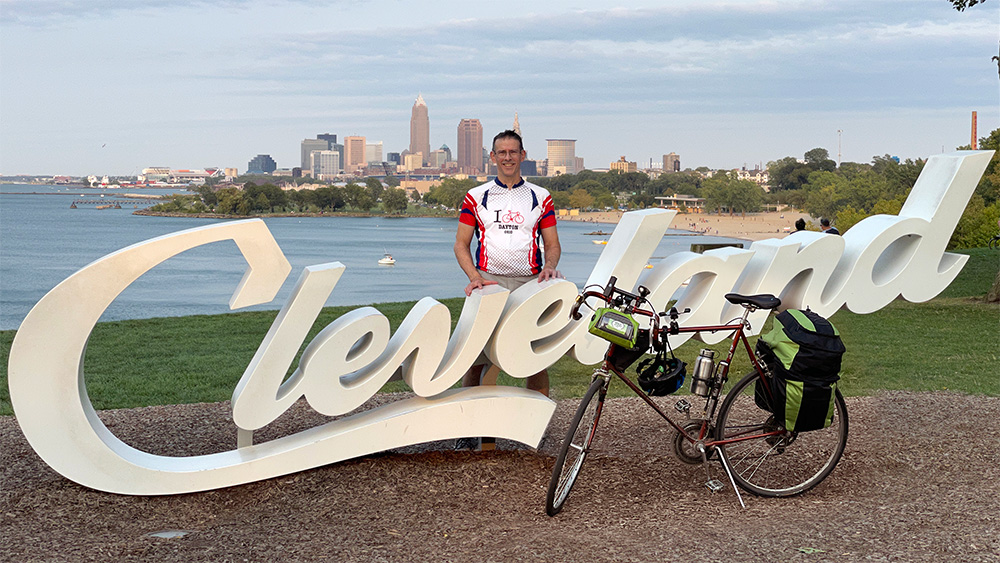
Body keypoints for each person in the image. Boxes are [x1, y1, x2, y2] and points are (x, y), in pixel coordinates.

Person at [454, 130, 562, 400]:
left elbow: (552, 245)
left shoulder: (541, 196)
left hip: (531, 284)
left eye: (513, 152)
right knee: (477, 360)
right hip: (490, 283)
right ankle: (470, 428)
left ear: (523, 155)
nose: (508, 157)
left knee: (534, 359)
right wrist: (473, 276)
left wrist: (550, 265)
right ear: (492, 157)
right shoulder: (476, 196)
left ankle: (538, 427)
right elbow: (460, 244)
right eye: (502, 152)